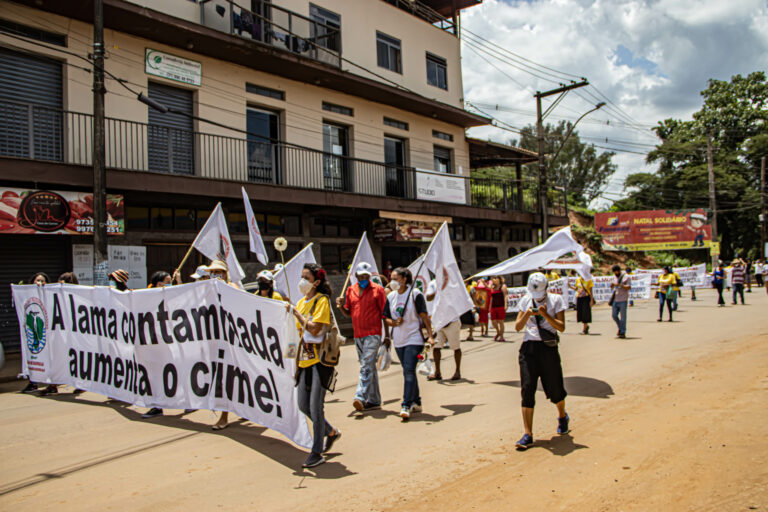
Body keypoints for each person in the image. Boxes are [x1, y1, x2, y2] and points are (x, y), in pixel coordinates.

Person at [288, 263, 339, 468]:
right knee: (303, 405)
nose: (302, 281)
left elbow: (316, 330)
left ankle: (316, 451)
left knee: (316, 407)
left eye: (306, 278)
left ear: (316, 282)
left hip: (319, 361)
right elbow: (296, 335)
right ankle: (330, 432)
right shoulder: (301, 302)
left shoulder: (322, 301)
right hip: (303, 361)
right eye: (302, 277)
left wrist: (297, 315)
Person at [513, 273, 568, 451]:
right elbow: (517, 327)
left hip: (548, 348)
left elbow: (561, 326)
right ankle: (528, 434)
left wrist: (545, 315)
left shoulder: (556, 300)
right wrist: (527, 313)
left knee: (555, 387)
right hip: (529, 349)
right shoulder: (525, 300)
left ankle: (562, 416)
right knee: (527, 389)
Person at [383, 267, 434, 420]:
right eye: (391, 278)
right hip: (399, 340)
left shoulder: (415, 294)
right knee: (408, 370)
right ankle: (416, 401)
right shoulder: (391, 296)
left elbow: (424, 317)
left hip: (414, 338)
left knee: (408, 370)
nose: (392, 281)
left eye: (395, 278)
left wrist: (430, 336)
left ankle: (405, 404)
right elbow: (385, 317)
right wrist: (393, 322)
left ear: (404, 279)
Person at [336, 262, 387, 413]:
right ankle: (374, 400)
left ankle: (360, 396)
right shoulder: (350, 290)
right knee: (369, 366)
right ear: (356, 275)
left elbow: (384, 314)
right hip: (358, 335)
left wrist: (387, 336)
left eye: (367, 275)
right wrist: (340, 307)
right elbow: (348, 313)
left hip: (373, 333)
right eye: (361, 275)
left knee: (365, 365)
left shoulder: (378, 290)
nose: (364, 278)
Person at [425, 279, 462, 381]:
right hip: (438, 320)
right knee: (436, 347)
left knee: (456, 347)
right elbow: (428, 298)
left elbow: (459, 298)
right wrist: (437, 290)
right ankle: (437, 372)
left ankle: (457, 371)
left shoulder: (452, 281)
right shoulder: (432, 283)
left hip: (452, 320)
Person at [21, 272, 51, 394]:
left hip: (46, 332)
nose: (39, 283)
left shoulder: (50, 295)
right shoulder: (27, 296)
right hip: (32, 331)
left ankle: (51, 384)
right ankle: (33, 382)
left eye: (42, 280)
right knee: (33, 357)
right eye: (37, 280)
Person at [610, 264, 631, 339]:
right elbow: (612, 287)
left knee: (623, 317)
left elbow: (629, 287)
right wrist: (612, 285)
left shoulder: (626, 277)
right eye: (614, 272)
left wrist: (620, 285)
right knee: (614, 315)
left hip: (623, 299)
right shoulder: (613, 277)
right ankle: (620, 327)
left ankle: (623, 332)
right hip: (615, 299)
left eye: (616, 271)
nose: (616, 273)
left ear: (619, 270)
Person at [489, 276, 508, 342]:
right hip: (493, 307)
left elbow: (505, 296)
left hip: (501, 306)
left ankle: (501, 336)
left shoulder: (503, 286)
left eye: (495, 278)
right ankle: (498, 332)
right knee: (493, 321)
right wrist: (489, 307)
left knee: (500, 322)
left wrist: (506, 305)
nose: (494, 280)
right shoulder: (492, 287)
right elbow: (491, 298)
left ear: (499, 279)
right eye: (493, 278)